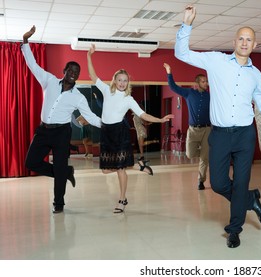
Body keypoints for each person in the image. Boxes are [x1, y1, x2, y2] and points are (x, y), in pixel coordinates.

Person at [175, 5, 261, 248]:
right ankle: (250, 199)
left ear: (255, 44)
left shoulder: (256, 75)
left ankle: (234, 230)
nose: (244, 42)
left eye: (249, 39)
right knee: (217, 183)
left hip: (245, 135)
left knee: (240, 182)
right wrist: (187, 24)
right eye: (241, 38)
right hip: (220, 135)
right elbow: (182, 54)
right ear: (234, 40)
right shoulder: (215, 60)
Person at [21, 26, 102, 214]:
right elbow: (33, 65)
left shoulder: (79, 97)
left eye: (77, 72)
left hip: (61, 133)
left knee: (58, 165)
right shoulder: (49, 80)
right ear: (64, 70)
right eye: (71, 70)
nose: (74, 74)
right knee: (30, 162)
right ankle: (65, 173)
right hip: (43, 130)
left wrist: (107, 124)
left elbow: (89, 116)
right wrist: (25, 41)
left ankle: (59, 203)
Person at [87, 44, 174, 213]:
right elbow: (92, 75)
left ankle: (122, 200)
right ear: (114, 80)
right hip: (106, 132)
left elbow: (143, 115)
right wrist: (89, 56)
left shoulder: (129, 99)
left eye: (125, 80)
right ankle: (137, 166)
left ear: (128, 83)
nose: (122, 83)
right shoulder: (106, 90)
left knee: (120, 168)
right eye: (119, 80)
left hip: (120, 133)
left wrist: (161, 120)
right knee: (105, 170)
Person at [163, 63, 211, 190]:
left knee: (204, 159)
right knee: (189, 154)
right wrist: (169, 72)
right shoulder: (189, 93)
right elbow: (173, 87)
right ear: (197, 83)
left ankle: (201, 181)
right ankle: (206, 154)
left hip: (207, 129)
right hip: (193, 130)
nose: (206, 83)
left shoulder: (210, 96)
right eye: (203, 81)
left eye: (206, 81)